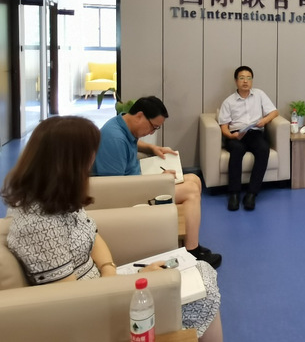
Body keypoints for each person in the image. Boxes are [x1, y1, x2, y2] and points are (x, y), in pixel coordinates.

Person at [1, 116, 224, 341]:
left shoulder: (58, 198)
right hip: (94, 308)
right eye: (89, 155)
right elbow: (70, 298)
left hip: (104, 285)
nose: (92, 161)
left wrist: (110, 272)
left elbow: (93, 235)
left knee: (200, 271)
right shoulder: (39, 227)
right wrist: (128, 282)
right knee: (203, 289)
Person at [92, 96, 222, 268]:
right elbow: (115, 189)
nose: (152, 133)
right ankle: (192, 251)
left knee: (194, 179)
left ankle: (189, 242)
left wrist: (152, 148)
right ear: (140, 116)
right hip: (127, 195)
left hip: (136, 182)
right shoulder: (114, 138)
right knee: (191, 191)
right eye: (153, 127)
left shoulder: (122, 124)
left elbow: (131, 143)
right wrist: (157, 181)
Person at [218, 66, 279, 212]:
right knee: (237, 150)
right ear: (236, 81)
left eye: (248, 78)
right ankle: (234, 194)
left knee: (263, 149)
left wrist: (264, 121)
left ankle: (251, 194)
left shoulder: (259, 94)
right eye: (242, 78)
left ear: (252, 80)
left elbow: (274, 112)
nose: (245, 81)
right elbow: (224, 126)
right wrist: (230, 136)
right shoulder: (229, 102)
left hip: (254, 133)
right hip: (236, 134)